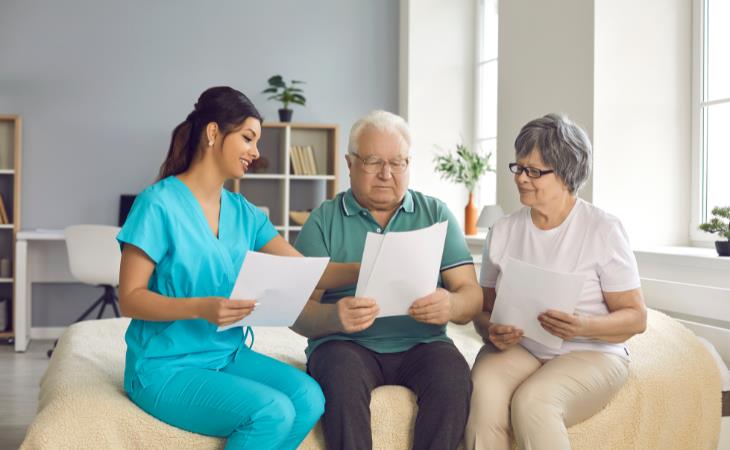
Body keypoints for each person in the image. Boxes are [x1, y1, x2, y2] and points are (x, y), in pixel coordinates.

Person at [117, 86, 359, 450]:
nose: (256, 152)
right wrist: (202, 307)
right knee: (272, 411)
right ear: (213, 133)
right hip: (163, 367)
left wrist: (369, 266)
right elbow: (130, 299)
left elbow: (309, 271)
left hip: (225, 355)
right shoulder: (158, 204)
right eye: (248, 138)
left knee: (310, 398)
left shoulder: (244, 212)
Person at [291, 110, 483, 450]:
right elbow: (295, 311)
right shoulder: (323, 220)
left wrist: (450, 304)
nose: (386, 173)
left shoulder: (436, 214)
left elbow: (471, 295)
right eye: (372, 161)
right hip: (344, 345)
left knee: (454, 380)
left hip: (424, 343)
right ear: (349, 164)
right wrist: (333, 316)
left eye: (397, 163)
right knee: (340, 380)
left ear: (409, 165)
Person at [465, 113, 647, 450]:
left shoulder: (602, 229)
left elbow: (635, 317)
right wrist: (490, 329)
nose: (521, 178)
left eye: (534, 171)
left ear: (566, 174)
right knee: (483, 390)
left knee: (533, 402)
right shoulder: (502, 231)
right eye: (518, 168)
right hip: (522, 348)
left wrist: (582, 326)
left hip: (592, 350)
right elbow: (483, 309)